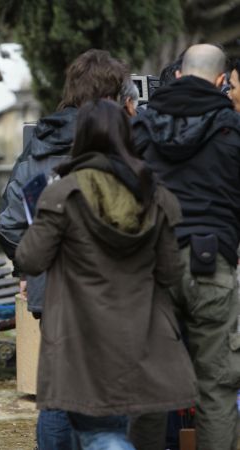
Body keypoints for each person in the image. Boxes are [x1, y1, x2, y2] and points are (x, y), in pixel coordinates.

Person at [16, 99, 197, 449]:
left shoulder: (62, 194)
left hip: (80, 338)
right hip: (141, 336)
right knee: (116, 429)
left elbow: (31, 258)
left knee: (100, 433)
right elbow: (171, 271)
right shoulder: (154, 195)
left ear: (81, 138)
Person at [0, 49, 128, 450]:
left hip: (49, 288)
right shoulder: (116, 142)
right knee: (107, 392)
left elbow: (8, 224)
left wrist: (42, 257)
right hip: (106, 288)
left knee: (54, 389)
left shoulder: (38, 144)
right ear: (112, 95)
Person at [133, 43, 240, 450]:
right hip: (213, 265)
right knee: (216, 386)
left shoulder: (140, 127)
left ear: (177, 76)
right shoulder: (232, 129)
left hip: (152, 266)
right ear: (219, 82)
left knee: (150, 387)